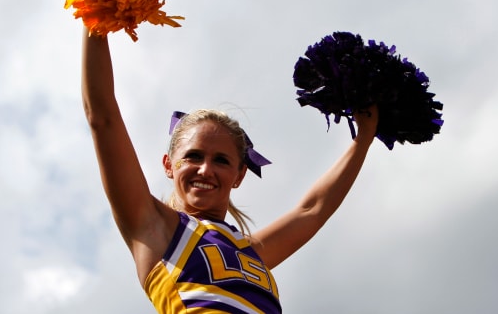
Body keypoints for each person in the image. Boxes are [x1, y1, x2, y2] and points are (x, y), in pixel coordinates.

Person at [81, 27, 379, 313]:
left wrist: (363, 138)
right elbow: (103, 117)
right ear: (169, 166)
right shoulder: (153, 227)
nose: (205, 169)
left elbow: (312, 209)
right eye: (193, 157)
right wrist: (97, 13)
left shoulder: (251, 252)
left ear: (239, 175)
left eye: (221, 160)